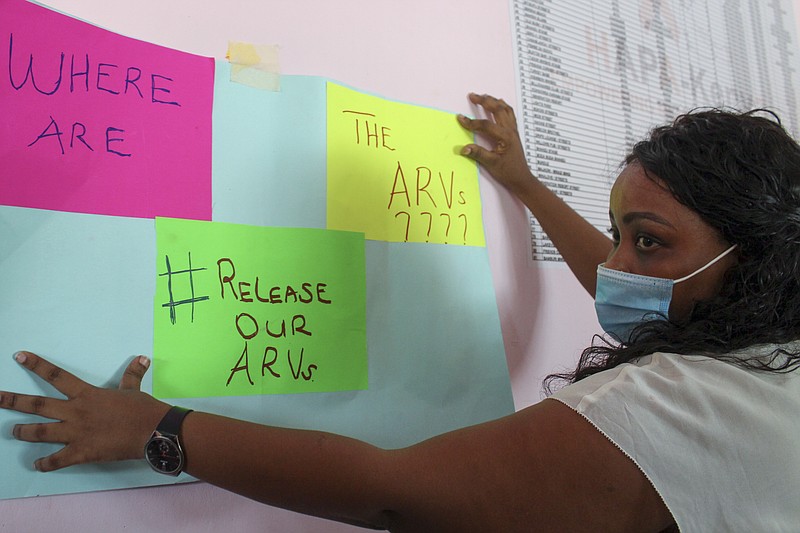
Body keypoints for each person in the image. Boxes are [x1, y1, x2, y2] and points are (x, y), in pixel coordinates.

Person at [1, 94, 799, 532]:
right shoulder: (772, 354)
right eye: (618, 230)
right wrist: (522, 184)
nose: (616, 266)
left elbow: (392, 490)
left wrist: (156, 428)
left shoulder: (685, 402)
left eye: (647, 240)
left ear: (756, 257)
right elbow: (632, 279)